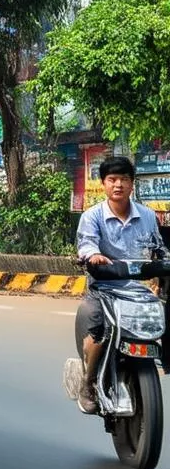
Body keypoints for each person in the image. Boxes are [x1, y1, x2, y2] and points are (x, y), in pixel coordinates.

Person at [75, 156, 164, 413]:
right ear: (103, 184)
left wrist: (163, 260)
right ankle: (89, 383)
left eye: (124, 179)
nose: (118, 185)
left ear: (132, 184)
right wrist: (93, 255)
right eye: (112, 179)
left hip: (137, 290)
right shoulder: (92, 216)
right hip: (104, 288)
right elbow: (87, 244)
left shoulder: (147, 216)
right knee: (99, 329)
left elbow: (158, 248)